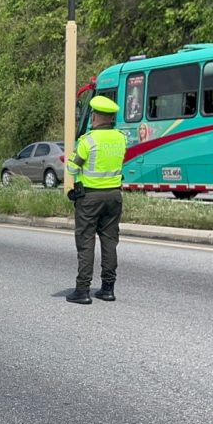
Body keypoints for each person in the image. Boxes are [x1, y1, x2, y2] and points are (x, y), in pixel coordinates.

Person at [65, 95, 128, 305]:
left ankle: (82, 290)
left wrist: (72, 161)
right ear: (110, 118)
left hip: (90, 198)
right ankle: (108, 289)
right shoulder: (121, 138)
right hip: (114, 196)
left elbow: (72, 168)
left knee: (86, 242)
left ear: (95, 117)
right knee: (109, 242)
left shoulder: (88, 140)